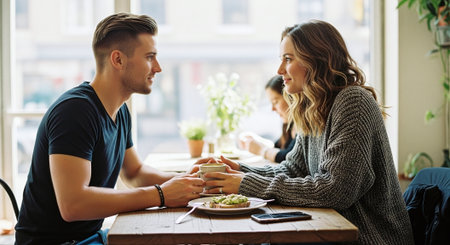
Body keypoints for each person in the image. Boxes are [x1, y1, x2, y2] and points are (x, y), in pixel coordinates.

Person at [195, 20, 414, 244]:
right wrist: (240, 170)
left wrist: (245, 183)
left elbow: (335, 191)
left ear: (317, 60)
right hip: (330, 232)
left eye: (288, 59)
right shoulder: (313, 107)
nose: (279, 70)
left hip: (371, 238)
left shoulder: (352, 102)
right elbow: (294, 169)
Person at [15, 13, 204, 244]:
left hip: (91, 238)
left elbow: (135, 173)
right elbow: (73, 205)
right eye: (150, 57)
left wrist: (192, 181)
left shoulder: (120, 110)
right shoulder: (75, 111)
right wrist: (161, 195)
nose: (158, 68)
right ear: (118, 60)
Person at [238, 75, 296, 163]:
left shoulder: (304, 128)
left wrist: (262, 150)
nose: (272, 109)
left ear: (291, 98)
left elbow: (289, 157)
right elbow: (277, 148)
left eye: (275, 102)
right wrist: (258, 141)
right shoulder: (288, 126)